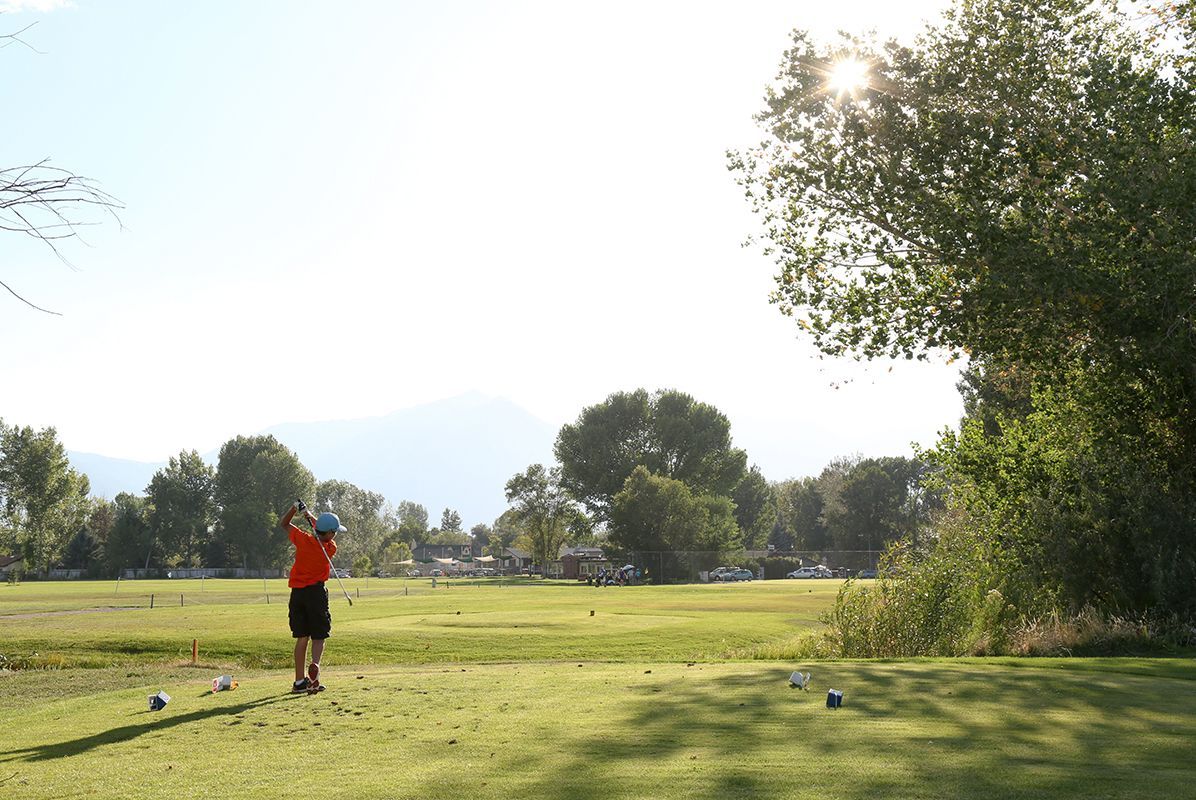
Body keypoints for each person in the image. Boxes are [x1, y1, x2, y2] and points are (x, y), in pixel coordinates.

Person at [279, 500, 347, 693]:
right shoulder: (330, 548)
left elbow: (284, 524)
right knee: (319, 636)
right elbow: (323, 532)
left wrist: (295, 509)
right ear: (331, 533)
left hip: (298, 594)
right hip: (316, 594)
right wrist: (310, 516)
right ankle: (315, 670)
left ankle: (300, 682)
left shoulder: (302, 539)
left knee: (302, 638)